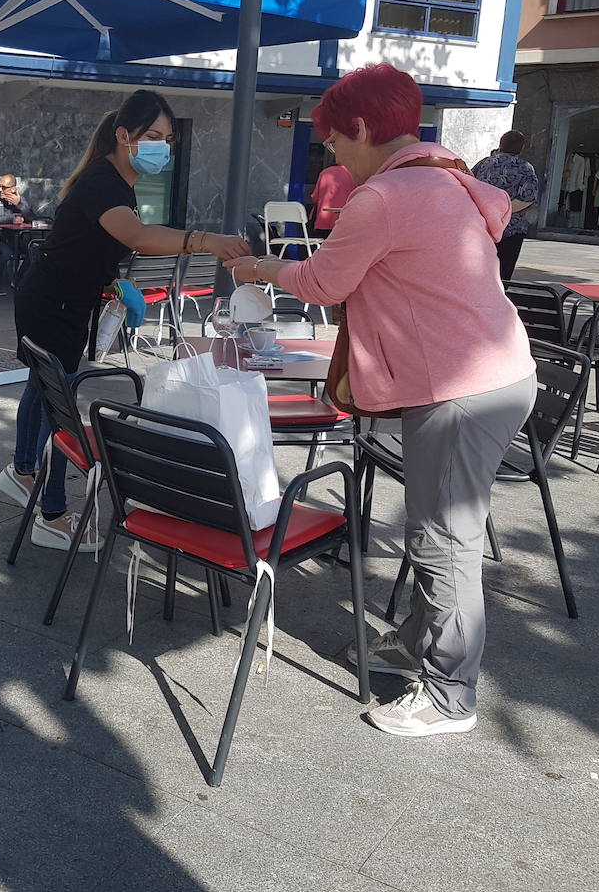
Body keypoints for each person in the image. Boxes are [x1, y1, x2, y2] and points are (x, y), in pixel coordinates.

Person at [223, 63, 536, 738]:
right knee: (440, 526)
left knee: (442, 537)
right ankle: (415, 641)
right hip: (492, 375)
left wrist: (260, 269)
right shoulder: (448, 179)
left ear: (363, 128)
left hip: (462, 387)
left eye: (334, 142)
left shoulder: (385, 197)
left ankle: (450, 693)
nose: (333, 155)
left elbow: (322, 281)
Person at [0, 90, 251, 550]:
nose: (162, 146)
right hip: (54, 303)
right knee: (59, 403)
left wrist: (112, 285)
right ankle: (51, 513)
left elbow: (98, 244)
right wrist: (205, 239)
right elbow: (138, 235)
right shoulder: (101, 181)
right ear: (123, 136)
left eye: (167, 138)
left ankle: (22, 470)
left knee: (43, 387)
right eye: (153, 136)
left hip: (59, 298)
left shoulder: (116, 182)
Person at [472, 130, 539, 282]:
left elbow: (469, 184)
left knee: (480, 270)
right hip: (512, 227)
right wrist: (504, 211)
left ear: (501, 144)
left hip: (484, 224)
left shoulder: (484, 163)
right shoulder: (525, 168)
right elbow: (528, 198)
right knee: (503, 274)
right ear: (521, 148)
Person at [0, 174, 34, 294]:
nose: (0, 190)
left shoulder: (19, 199)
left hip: (15, 238)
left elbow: (32, 218)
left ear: (13, 189)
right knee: (6, 253)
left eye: (4, 187)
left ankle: (17, 280)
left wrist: (20, 204)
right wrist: (10, 219)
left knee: (32, 251)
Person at [310, 163, 356, 237]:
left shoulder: (324, 173)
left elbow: (315, 197)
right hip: (343, 220)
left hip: (322, 221)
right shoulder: (353, 175)